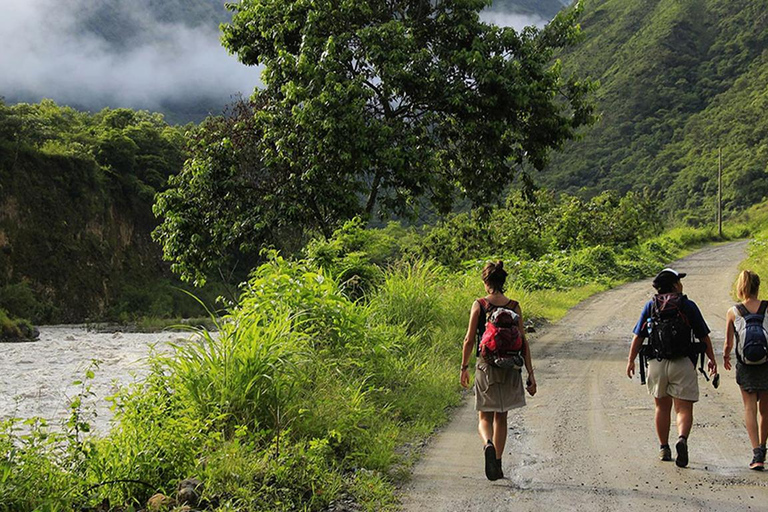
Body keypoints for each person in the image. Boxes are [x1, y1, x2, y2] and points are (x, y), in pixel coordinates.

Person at [626, 268, 717, 467]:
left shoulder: (651, 306)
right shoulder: (687, 305)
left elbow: (639, 336)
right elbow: (703, 335)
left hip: (657, 363)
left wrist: (631, 360)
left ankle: (663, 447)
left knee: (661, 406)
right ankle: (682, 438)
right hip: (683, 362)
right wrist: (712, 359)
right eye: (679, 281)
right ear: (675, 285)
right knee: (683, 408)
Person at [460, 261, 536, 481]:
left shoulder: (480, 304)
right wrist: (530, 373)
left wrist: (464, 367)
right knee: (502, 417)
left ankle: (488, 445)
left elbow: (469, 339)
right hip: (511, 367)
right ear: (503, 282)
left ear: (486, 282)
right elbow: (523, 341)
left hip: (486, 366)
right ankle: (499, 463)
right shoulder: (514, 306)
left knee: (484, 416)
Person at [723, 270, 768, 470]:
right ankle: (764, 447)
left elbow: (728, 343)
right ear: (758, 287)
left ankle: (756, 453)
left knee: (749, 407)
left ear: (741, 288)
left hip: (746, 365)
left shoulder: (734, 311)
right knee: (765, 411)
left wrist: (725, 357)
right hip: (767, 362)